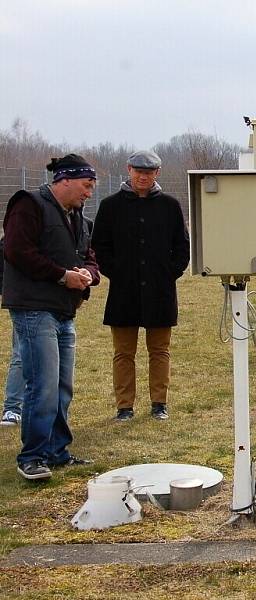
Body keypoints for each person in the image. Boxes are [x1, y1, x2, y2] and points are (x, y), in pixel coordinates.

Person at [2, 154, 100, 480]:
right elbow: (17, 251)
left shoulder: (78, 218)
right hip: (33, 309)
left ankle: (57, 451)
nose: (89, 193)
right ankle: (32, 456)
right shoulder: (28, 205)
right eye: (86, 186)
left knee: (61, 386)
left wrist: (87, 274)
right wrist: (62, 276)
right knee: (41, 385)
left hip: (63, 311)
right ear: (65, 180)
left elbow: (90, 257)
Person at [91, 150, 190, 422]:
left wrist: (168, 273)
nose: (143, 176)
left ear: (157, 173)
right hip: (124, 292)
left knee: (159, 351)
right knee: (123, 352)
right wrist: (117, 272)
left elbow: (182, 247)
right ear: (129, 170)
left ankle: (159, 403)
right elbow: (99, 246)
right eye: (138, 171)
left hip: (160, 292)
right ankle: (124, 406)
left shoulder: (170, 206)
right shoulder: (110, 206)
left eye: (148, 172)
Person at [0, 237, 24, 427]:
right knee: (21, 354)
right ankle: (13, 408)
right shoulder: (25, 217)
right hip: (24, 299)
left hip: (54, 300)